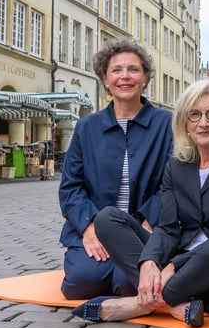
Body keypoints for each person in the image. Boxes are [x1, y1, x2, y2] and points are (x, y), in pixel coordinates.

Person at [71, 80, 209, 326]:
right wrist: (149, 261)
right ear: (185, 124)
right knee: (107, 218)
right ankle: (175, 305)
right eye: (194, 114)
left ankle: (138, 304)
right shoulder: (177, 166)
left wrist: (173, 266)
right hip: (177, 270)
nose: (203, 122)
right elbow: (168, 227)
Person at [58, 38, 172, 300]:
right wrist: (88, 227)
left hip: (143, 229)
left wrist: (149, 223)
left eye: (133, 69)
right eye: (116, 70)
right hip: (96, 227)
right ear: (105, 78)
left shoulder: (166, 125)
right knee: (80, 284)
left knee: (127, 285)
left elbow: (173, 183)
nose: (125, 77)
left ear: (145, 77)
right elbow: (71, 186)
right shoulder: (87, 127)